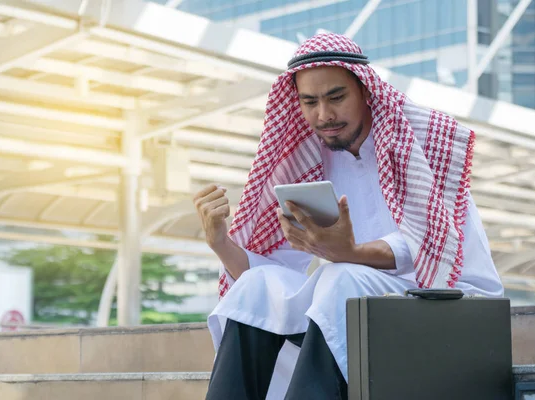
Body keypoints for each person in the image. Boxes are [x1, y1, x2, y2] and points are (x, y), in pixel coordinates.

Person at [193, 33, 504, 400]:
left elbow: (431, 246)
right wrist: (220, 243)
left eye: (336, 97)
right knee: (257, 287)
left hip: (451, 304)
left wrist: (349, 252)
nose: (323, 115)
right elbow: (271, 275)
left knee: (340, 277)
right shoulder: (309, 162)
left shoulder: (417, 145)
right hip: (355, 309)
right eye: (309, 102)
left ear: (366, 91)